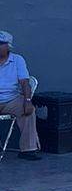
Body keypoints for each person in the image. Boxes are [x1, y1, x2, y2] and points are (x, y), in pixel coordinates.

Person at [0, 30, 40, 159]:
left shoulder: (17, 60)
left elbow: (24, 83)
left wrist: (28, 100)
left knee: (28, 110)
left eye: (1, 43)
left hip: (11, 100)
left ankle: (28, 150)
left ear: (8, 46)